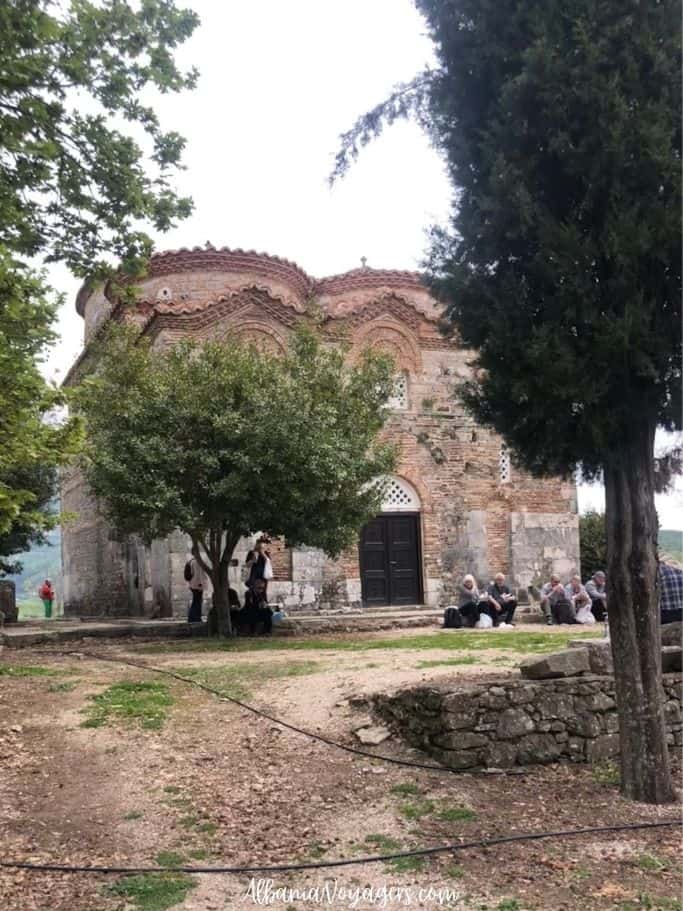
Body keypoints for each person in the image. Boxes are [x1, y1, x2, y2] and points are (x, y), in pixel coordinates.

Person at [186, 555, 207, 623]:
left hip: (192, 584)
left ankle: (192, 618)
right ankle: (196, 618)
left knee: (196, 601)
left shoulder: (191, 561)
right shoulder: (197, 562)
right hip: (197, 585)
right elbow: (199, 575)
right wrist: (200, 585)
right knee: (197, 602)